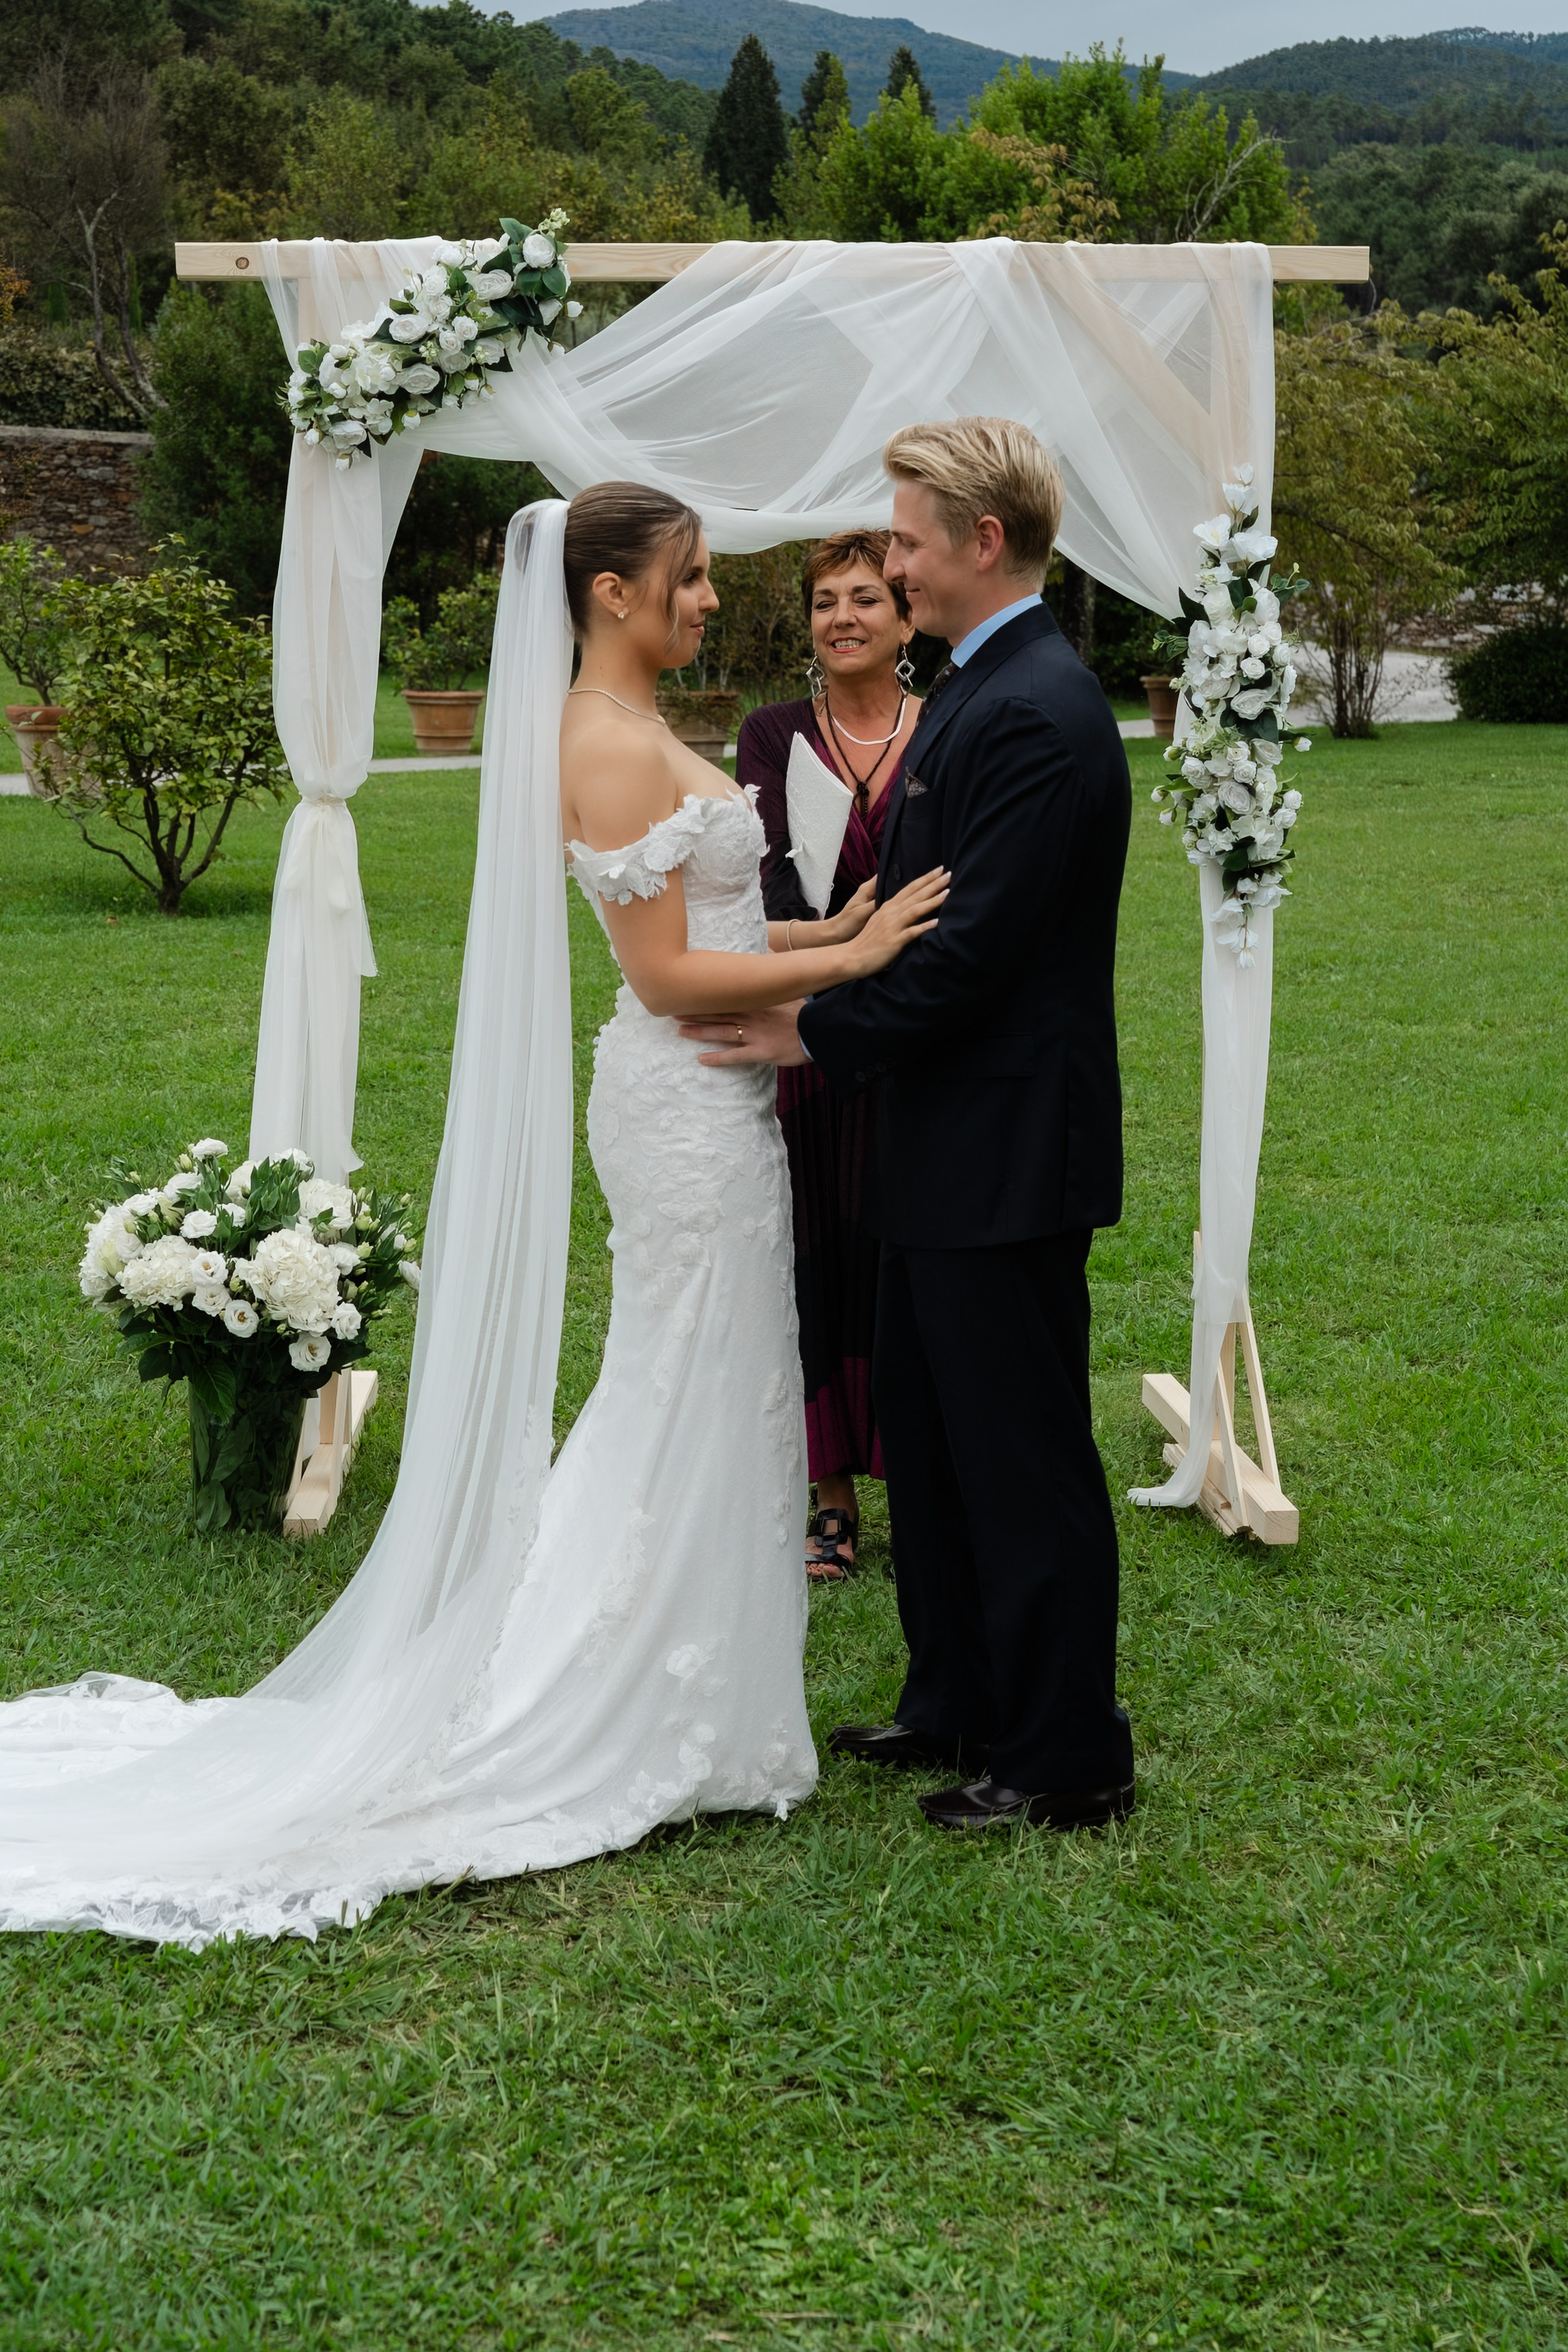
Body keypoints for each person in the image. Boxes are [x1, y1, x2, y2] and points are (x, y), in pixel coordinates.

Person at [0, 486, 947, 1946]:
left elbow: (725, 933)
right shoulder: (603, 742)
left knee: (711, 1380)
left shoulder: (628, 729)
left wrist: (830, 928)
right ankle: (611, 1693)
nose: (708, 601)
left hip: (711, 1107)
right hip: (685, 1108)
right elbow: (663, 980)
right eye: (688, 580)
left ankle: (692, 1686)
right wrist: (855, 962)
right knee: (678, 1380)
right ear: (613, 595)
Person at [682, 417, 1137, 1836]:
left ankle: (1065, 1753)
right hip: (935, 1145)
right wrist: (826, 965)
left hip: (1002, 1152)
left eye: (903, 540)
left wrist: (802, 1029)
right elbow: (895, 919)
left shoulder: (1034, 715)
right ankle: (951, 1692)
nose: (889, 561)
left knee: (1018, 1456)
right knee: (930, 1447)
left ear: (978, 543)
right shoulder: (978, 692)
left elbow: (963, 958)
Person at [737, 532, 922, 1580]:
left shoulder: (945, 731)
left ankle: (919, 1472)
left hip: (912, 1044)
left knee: (902, 1255)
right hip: (802, 1032)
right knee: (809, 1255)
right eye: (823, 602)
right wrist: (832, 965)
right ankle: (832, 1501)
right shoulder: (772, 735)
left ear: (904, 617)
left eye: (865, 598)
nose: (842, 617)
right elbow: (761, 888)